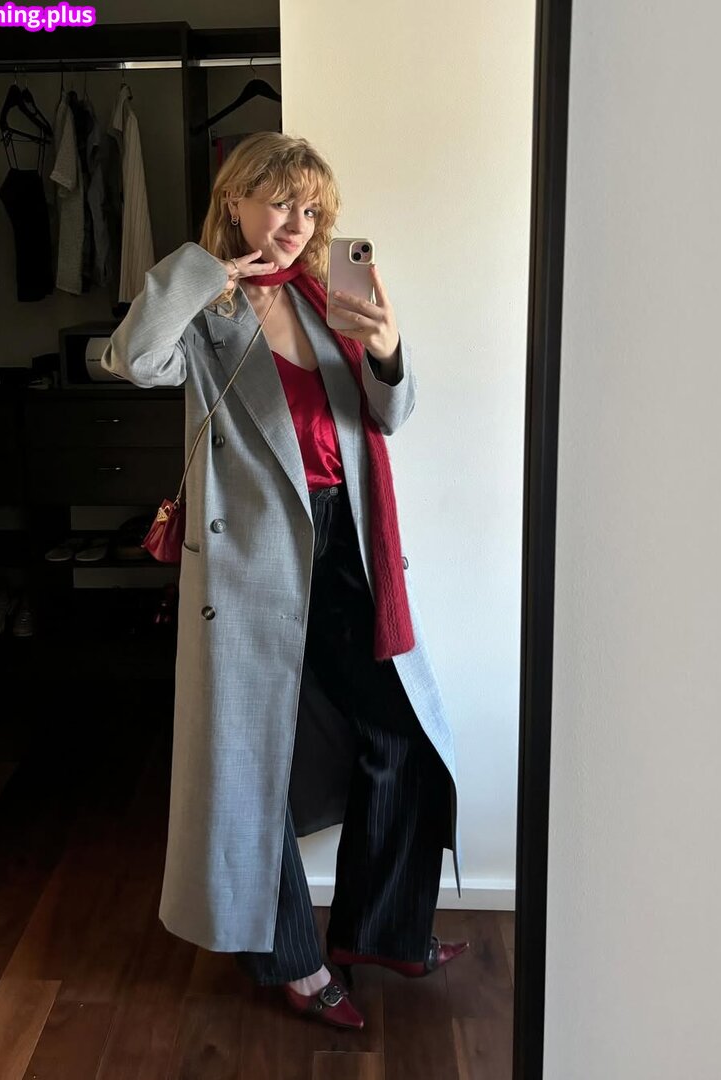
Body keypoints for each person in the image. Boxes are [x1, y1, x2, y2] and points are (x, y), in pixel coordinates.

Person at [101, 132, 468, 1030]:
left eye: (310, 208)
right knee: (248, 758)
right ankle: (294, 964)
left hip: (348, 546)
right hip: (253, 558)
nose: (296, 224)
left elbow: (390, 416)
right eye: (277, 203)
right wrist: (201, 272)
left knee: (402, 732)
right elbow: (130, 360)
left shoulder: (323, 298)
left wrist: (385, 347)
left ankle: (381, 930)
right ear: (234, 202)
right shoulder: (205, 308)